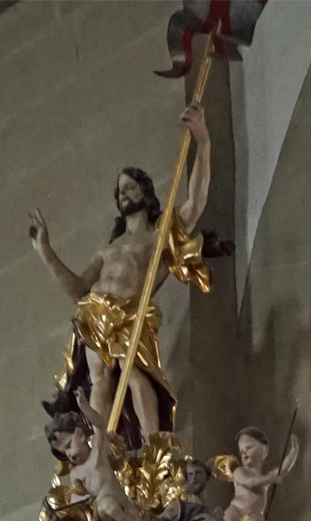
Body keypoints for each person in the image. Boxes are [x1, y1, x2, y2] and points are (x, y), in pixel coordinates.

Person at [29, 106, 212, 446]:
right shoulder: (108, 247)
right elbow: (79, 289)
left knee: (137, 377)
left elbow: (196, 203)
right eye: (120, 190)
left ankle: (155, 449)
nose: (124, 194)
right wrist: (45, 251)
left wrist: (202, 140)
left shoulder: (158, 235)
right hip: (95, 314)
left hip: (129, 314)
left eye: (130, 187)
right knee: (99, 381)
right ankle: (101, 450)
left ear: (145, 191)